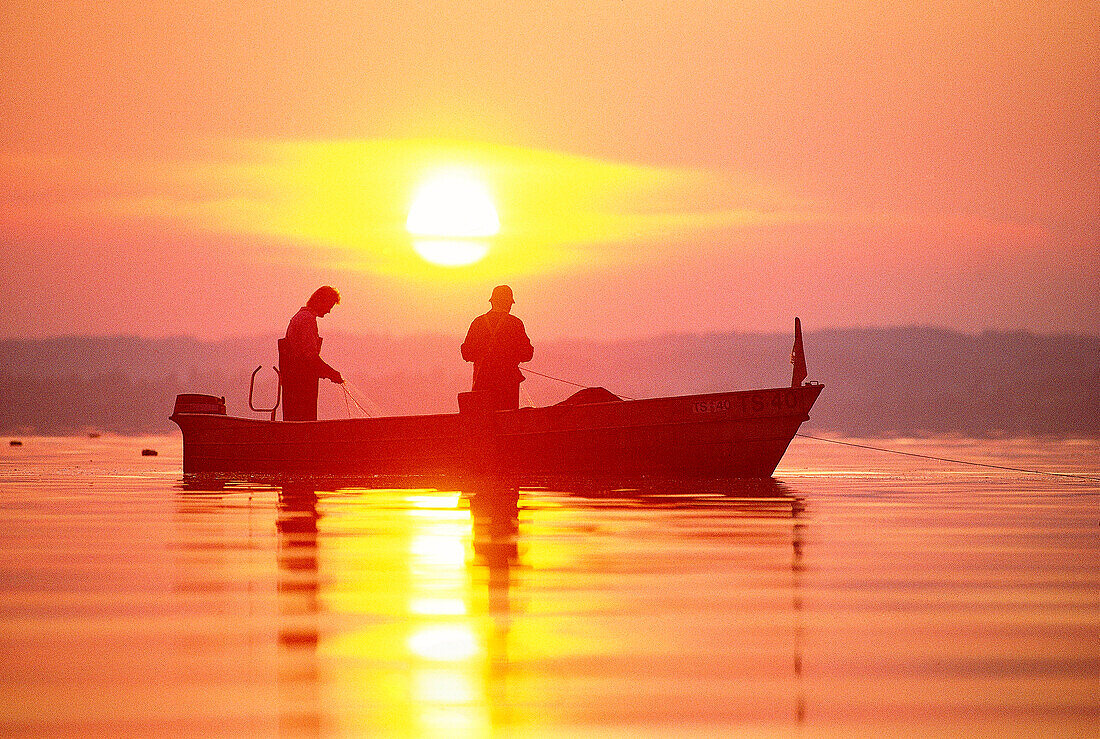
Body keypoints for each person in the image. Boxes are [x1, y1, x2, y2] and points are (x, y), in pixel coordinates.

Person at [461, 285, 534, 411]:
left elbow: (466, 353)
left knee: (483, 422)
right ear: (508, 303)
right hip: (508, 385)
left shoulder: (478, 323)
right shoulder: (515, 323)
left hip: (482, 382)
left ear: (492, 302)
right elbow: (527, 354)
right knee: (507, 420)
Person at [280, 286, 344, 421]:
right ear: (321, 302)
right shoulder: (307, 320)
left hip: (296, 385)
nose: (329, 311)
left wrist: (326, 372)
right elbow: (310, 357)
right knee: (303, 425)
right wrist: (331, 372)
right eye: (329, 306)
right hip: (300, 387)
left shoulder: (301, 317)